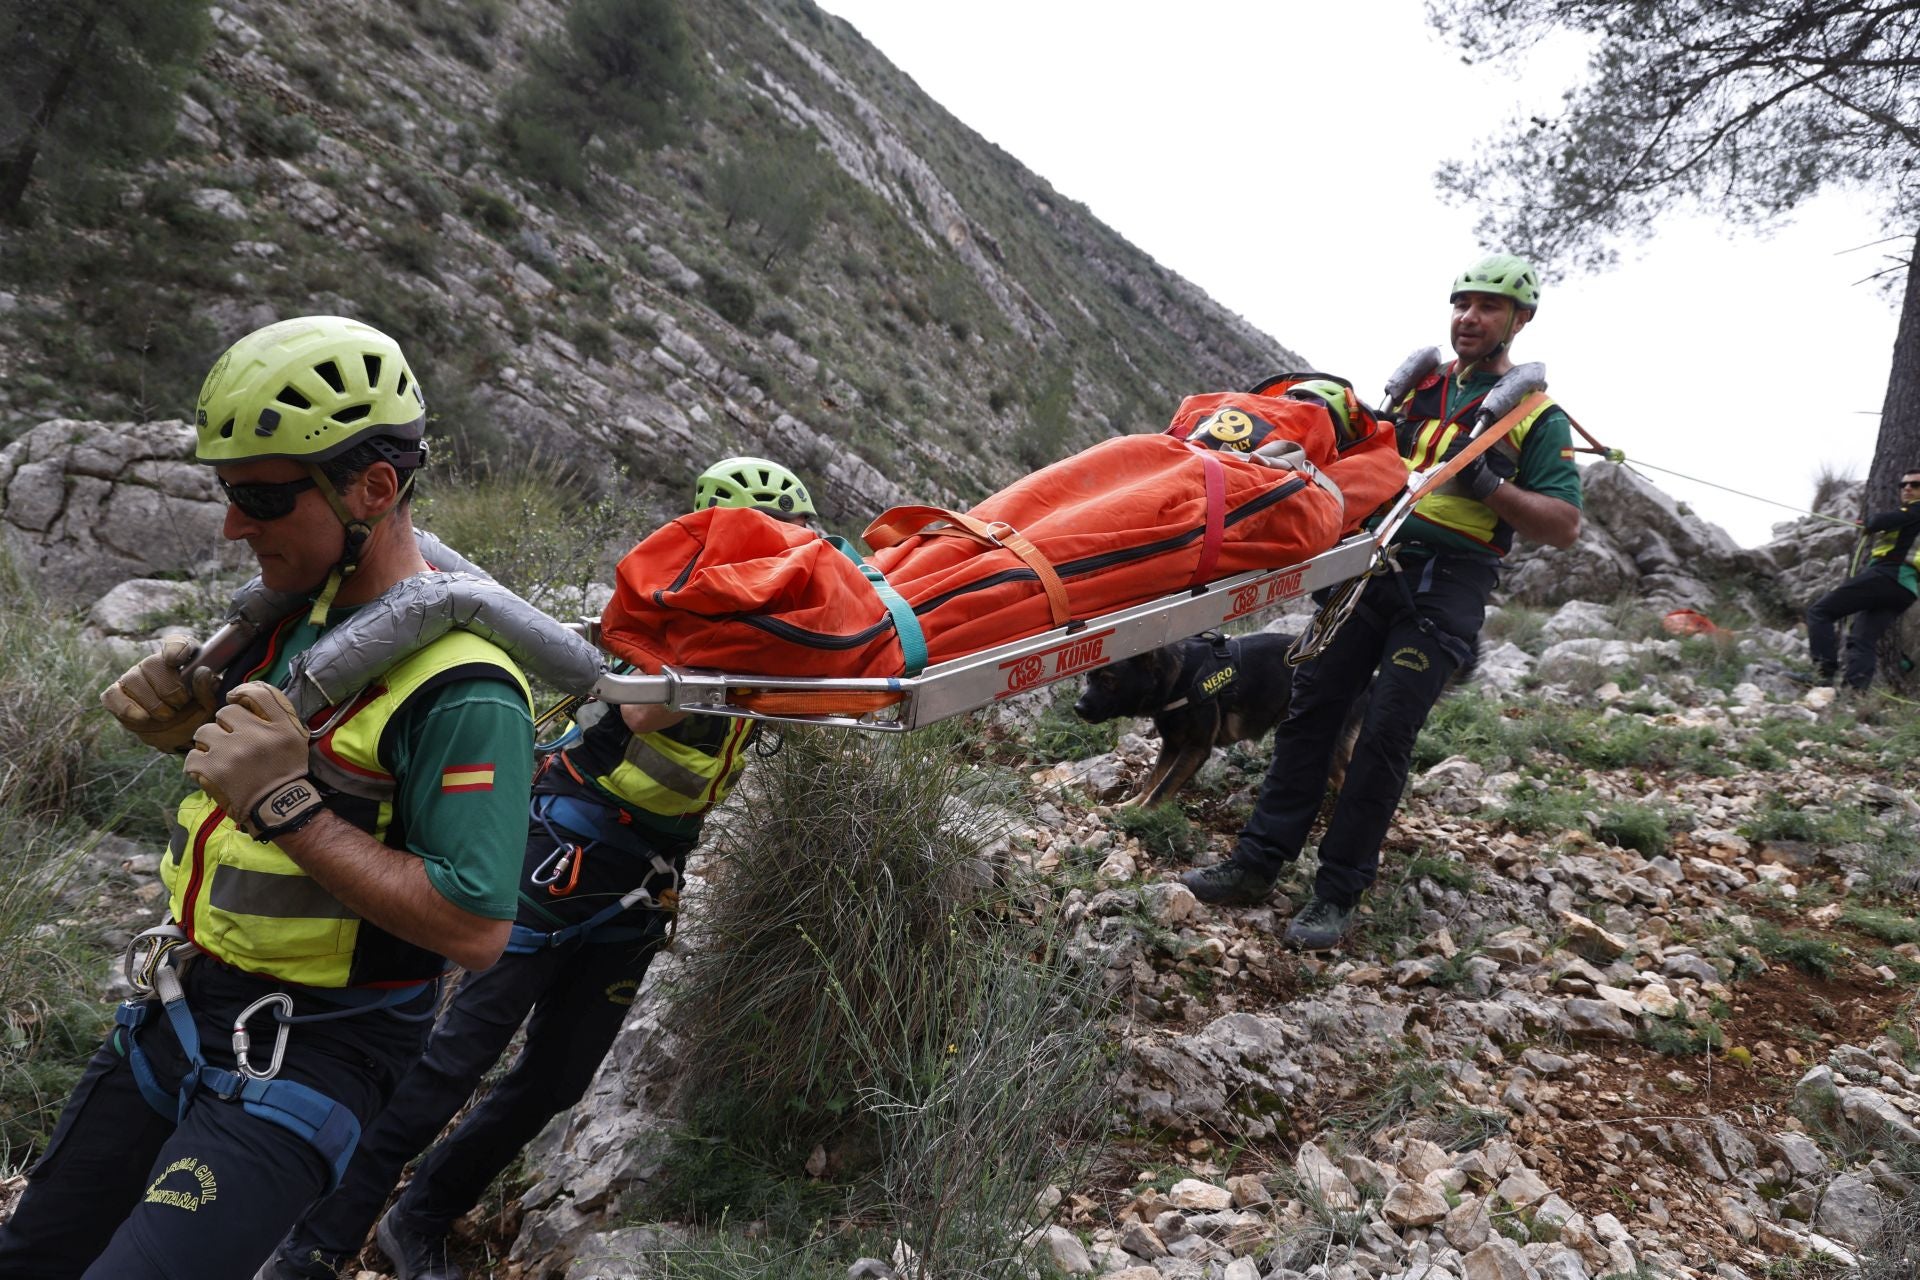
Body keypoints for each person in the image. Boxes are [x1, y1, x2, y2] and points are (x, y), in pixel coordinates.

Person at [0, 316, 535, 1279]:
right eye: (227, 492)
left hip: (316, 1051)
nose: (232, 526)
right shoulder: (297, 621)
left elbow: (474, 927)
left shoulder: (467, 690)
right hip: (179, 1008)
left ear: (374, 488)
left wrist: (285, 805)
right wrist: (192, 737)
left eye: (261, 497)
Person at [255, 456, 818, 1280]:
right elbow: (649, 703)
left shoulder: (763, 631)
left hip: (643, 875)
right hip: (565, 850)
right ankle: (316, 1240)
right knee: (452, 1060)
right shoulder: (668, 612)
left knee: (557, 1076)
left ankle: (420, 1218)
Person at [1181, 254, 1584, 950]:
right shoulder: (1416, 391)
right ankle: (1255, 863)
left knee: (1383, 737)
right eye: (1464, 303)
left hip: (1447, 586)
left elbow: (1563, 524)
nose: (1470, 317)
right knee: (1309, 715)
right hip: (1370, 569)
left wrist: (1490, 487)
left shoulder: (1535, 418)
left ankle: (1336, 894)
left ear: (1521, 320)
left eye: (1489, 307)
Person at [1803, 470, 1920, 690]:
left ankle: (1823, 674)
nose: (1907, 488)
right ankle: (1854, 695)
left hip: (1889, 576)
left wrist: (1870, 522)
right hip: (1905, 589)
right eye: (1903, 485)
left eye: (1915, 485)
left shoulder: (1915, 510)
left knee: (1820, 612)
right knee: (1862, 638)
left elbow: (1881, 520)